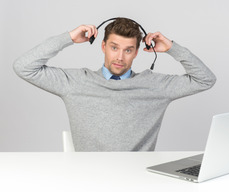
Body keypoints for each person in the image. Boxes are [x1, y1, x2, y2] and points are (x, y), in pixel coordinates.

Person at [13, 18, 216, 151]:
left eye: (128, 50)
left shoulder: (155, 85)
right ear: (103, 46)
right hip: (89, 179)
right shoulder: (75, 83)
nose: (120, 57)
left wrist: (172, 47)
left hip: (138, 179)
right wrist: (68, 38)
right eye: (114, 47)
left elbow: (205, 79)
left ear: (136, 52)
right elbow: (24, 67)